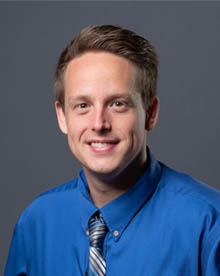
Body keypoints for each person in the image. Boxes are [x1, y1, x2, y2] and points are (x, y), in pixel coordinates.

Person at [4, 25, 220, 276]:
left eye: (118, 104)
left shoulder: (209, 225)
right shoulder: (36, 224)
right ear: (62, 116)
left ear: (150, 113)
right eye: (83, 105)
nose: (99, 124)